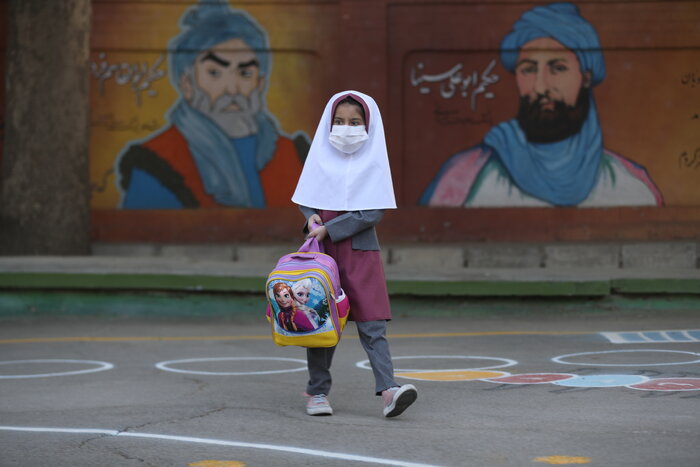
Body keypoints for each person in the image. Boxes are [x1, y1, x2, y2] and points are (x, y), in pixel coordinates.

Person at [420, 2, 663, 207]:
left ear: (586, 77)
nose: (540, 87)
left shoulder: (631, 183)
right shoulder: (464, 177)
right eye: (528, 69)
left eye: (557, 68)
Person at [291, 90, 418, 418]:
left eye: (355, 122)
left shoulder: (374, 162)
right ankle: (317, 392)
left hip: (361, 254)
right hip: (323, 255)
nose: (346, 128)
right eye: (339, 121)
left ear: (369, 125)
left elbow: (372, 213)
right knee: (322, 324)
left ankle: (389, 390)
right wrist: (311, 217)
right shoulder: (320, 155)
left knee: (373, 325)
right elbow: (308, 194)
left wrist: (330, 228)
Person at [116, 0, 308, 209]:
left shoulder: (294, 156)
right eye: (215, 73)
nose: (232, 90)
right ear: (187, 83)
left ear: (260, 83)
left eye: (245, 73)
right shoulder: (156, 164)